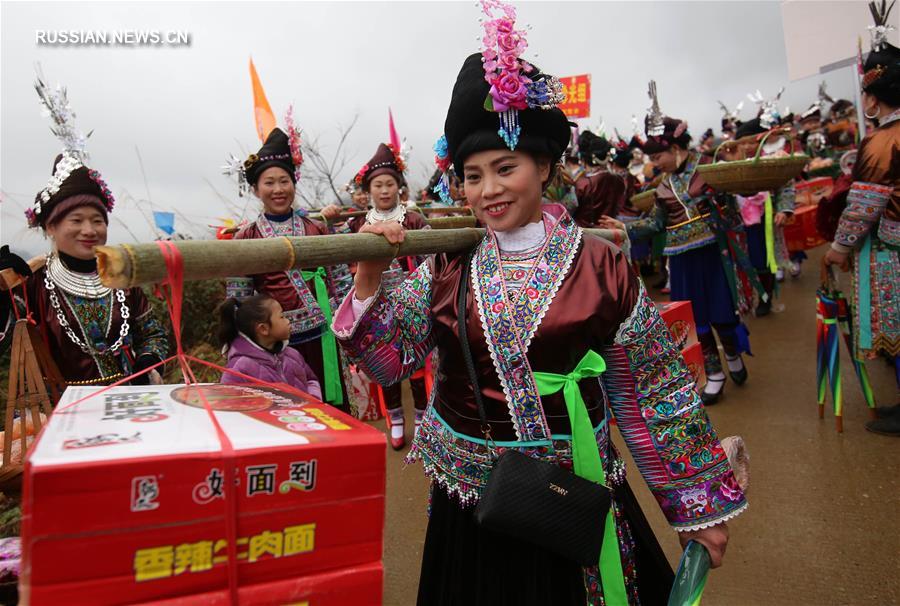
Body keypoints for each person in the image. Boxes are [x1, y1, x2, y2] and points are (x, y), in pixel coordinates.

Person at [333, 33, 745, 604]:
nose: (489, 190)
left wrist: (696, 508)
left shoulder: (601, 265)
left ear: (545, 165)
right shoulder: (449, 264)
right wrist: (369, 276)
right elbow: (385, 361)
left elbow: (654, 389)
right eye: (472, 175)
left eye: (506, 168)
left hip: (576, 484)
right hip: (474, 498)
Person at [602, 83, 754, 405]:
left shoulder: (710, 168)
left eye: (659, 156)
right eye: (653, 157)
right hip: (681, 258)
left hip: (713, 252)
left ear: (677, 147)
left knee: (722, 311)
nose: (656, 162)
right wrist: (624, 228)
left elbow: (734, 200)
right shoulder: (663, 185)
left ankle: (733, 355)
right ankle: (713, 373)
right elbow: (656, 223)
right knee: (694, 317)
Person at [14, 157, 168, 386]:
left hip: (127, 403)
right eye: (76, 220)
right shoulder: (32, 283)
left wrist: (148, 361)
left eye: (97, 221)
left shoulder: (121, 277)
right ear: (51, 226)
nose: (89, 230)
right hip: (60, 410)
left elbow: (152, 335)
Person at [227, 127, 352, 407]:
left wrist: (349, 326)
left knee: (332, 408)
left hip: (324, 337)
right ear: (256, 189)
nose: (278, 189)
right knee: (288, 410)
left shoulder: (316, 228)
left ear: (294, 184)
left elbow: (341, 280)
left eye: (284, 181)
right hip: (276, 346)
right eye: (269, 183)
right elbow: (239, 299)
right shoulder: (245, 237)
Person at [824, 10, 899, 436]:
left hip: (892, 247)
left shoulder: (881, 141)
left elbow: (864, 204)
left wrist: (838, 248)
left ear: (873, 99)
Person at [345, 143, 431, 449]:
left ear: (399, 187)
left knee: (417, 364)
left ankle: (422, 416)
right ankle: (395, 416)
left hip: (410, 301)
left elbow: (431, 260)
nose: (384, 190)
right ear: (369, 190)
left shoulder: (415, 220)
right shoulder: (355, 225)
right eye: (378, 185)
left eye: (389, 184)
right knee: (385, 364)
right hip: (374, 304)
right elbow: (347, 266)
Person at [729, 118, 796, 313]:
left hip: (766, 219)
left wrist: (784, 210)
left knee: (765, 260)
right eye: (744, 142)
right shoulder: (729, 167)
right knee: (743, 261)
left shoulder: (772, 162)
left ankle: (765, 299)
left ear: (762, 142)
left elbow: (786, 187)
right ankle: (747, 298)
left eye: (753, 141)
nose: (748, 146)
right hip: (740, 222)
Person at [217, 294, 321, 398]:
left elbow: (311, 380)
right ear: (263, 329)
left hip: (303, 413)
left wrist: (313, 398)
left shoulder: (293, 355)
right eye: (282, 317)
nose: (288, 321)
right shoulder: (240, 368)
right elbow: (229, 401)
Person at [572, 130, 627, 228]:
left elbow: (568, 210)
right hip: (612, 232)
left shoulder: (582, 183)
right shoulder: (619, 179)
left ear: (583, 159)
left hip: (585, 235)